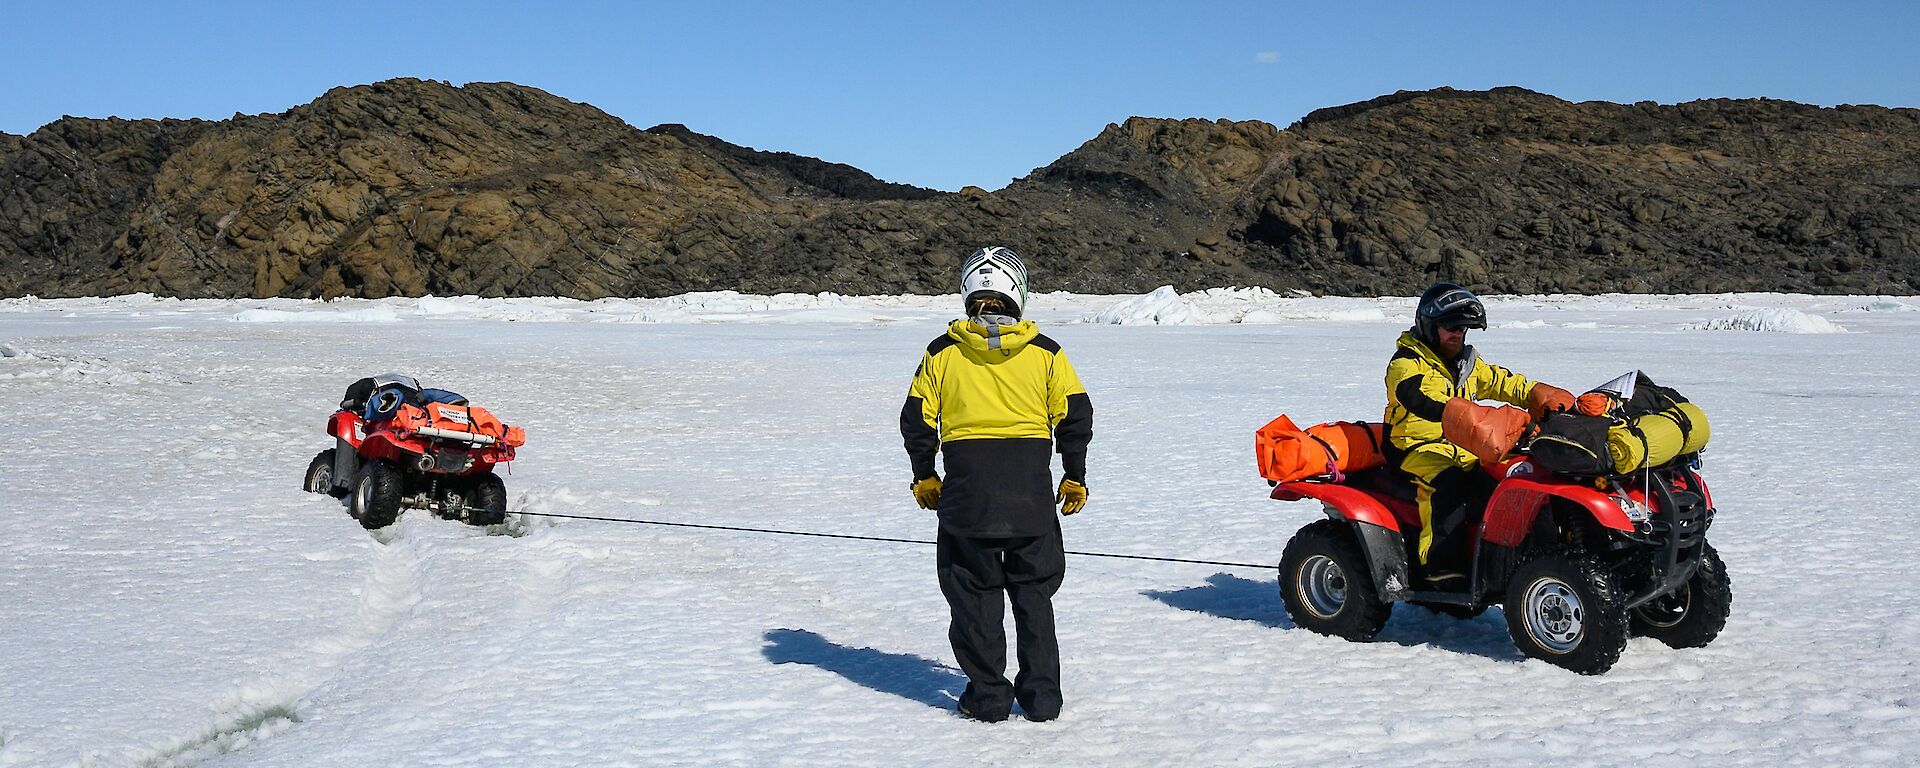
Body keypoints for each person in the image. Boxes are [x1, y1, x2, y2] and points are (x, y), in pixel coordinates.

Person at [900, 246, 1093, 723]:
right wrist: (1074, 475)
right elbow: (1075, 416)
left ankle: (988, 698)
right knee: (1033, 597)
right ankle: (1042, 699)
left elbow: (917, 421)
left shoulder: (942, 353)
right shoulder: (1046, 353)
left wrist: (924, 474)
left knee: (975, 599)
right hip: (1030, 501)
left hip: (968, 505)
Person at [1384, 283, 1562, 583]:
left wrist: (1544, 398)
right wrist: (1477, 419)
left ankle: (1528, 560)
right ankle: (1441, 570)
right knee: (1449, 485)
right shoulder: (1406, 364)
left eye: (1463, 328)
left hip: (1459, 444)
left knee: (1512, 482)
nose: (1457, 334)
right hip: (1414, 447)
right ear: (1429, 326)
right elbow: (1425, 400)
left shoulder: (1466, 365)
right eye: (1450, 327)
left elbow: (1505, 383)